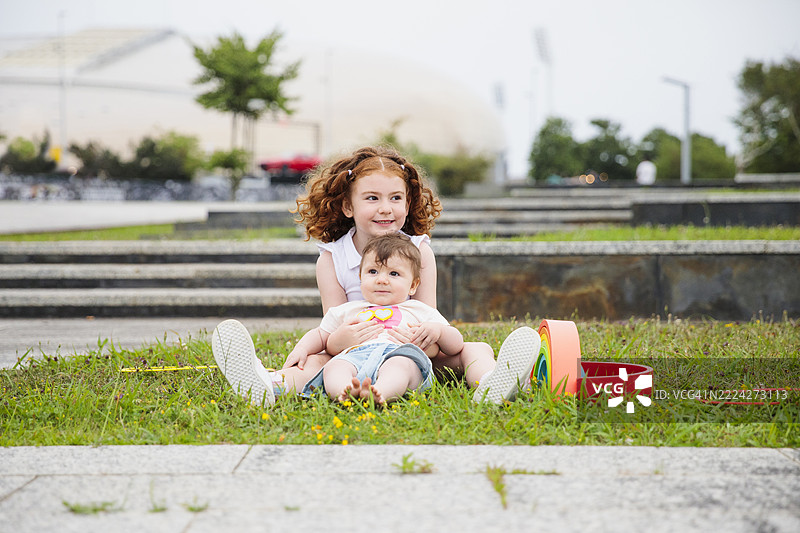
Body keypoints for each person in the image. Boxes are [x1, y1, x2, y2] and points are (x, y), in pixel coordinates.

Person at [211, 145, 539, 405]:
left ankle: (492, 381)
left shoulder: (419, 250)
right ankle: (268, 385)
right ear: (347, 206)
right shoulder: (332, 258)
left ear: (409, 205)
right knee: (312, 363)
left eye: (396, 198)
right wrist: (334, 343)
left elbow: (429, 313)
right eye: (372, 198)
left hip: (413, 348)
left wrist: (429, 339)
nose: (386, 208)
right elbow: (333, 325)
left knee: (475, 348)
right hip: (352, 350)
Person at [300, 233, 461, 403]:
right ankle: (345, 390)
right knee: (334, 367)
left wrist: (439, 331)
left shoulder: (419, 310)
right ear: (361, 278)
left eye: (394, 274)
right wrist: (302, 348)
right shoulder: (348, 310)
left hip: (399, 355)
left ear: (413, 285)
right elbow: (320, 334)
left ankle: (381, 392)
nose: (382, 280)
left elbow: (456, 344)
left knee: (400, 367)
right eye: (373, 271)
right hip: (355, 357)